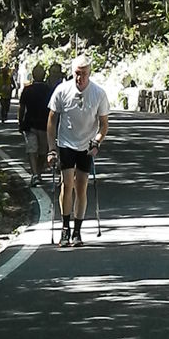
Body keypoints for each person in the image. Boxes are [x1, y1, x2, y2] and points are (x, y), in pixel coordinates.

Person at [47, 54, 109, 248]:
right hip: (66, 144)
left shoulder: (98, 93)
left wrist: (97, 141)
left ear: (90, 73)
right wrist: (52, 148)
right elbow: (51, 120)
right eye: (76, 73)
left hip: (86, 145)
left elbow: (104, 125)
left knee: (81, 186)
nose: (79, 78)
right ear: (72, 72)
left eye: (83, 74)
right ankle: (65, 228)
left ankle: (77, 231)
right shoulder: (62, 90)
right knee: (67, 185)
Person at [18, 64, 52, 187]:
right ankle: (38, 173)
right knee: (42, 151)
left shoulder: (27, 90)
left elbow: (22, 107)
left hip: (30, 124)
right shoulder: (49, 90)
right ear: (44, 76)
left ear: (33, 75)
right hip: (44, 125)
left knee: (32, 150)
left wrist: (20, 122)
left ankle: (35, 174)